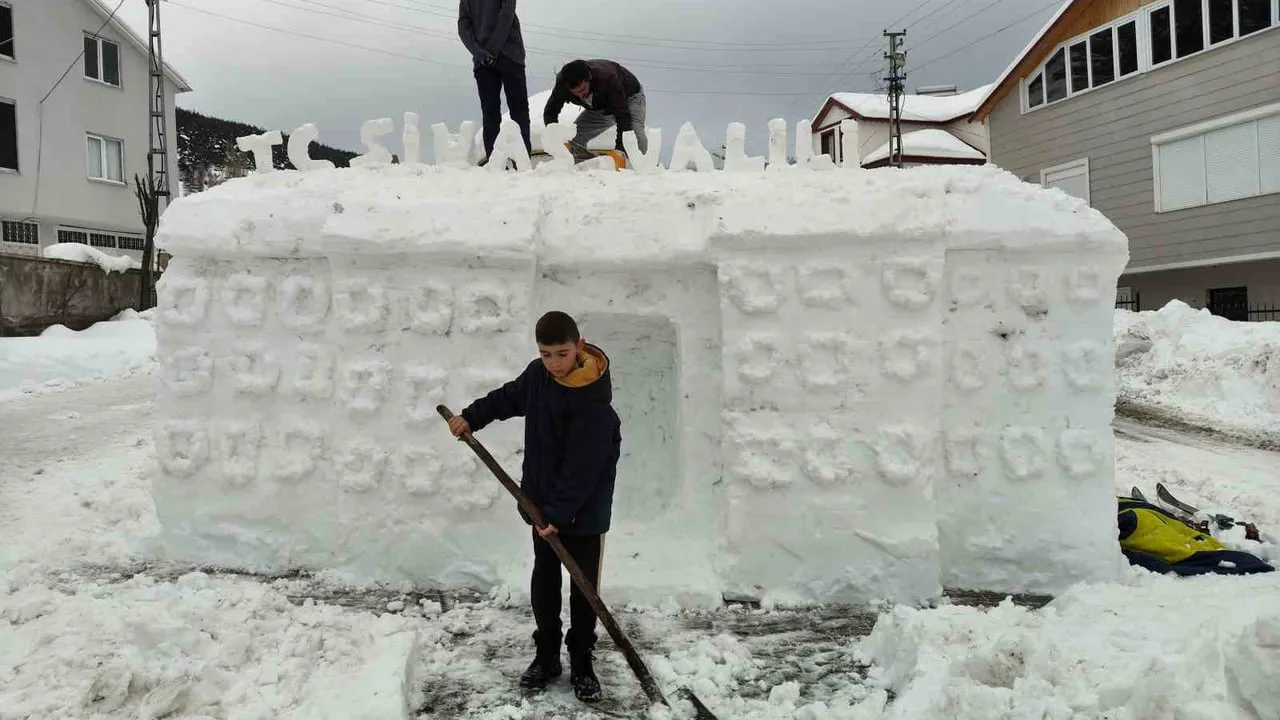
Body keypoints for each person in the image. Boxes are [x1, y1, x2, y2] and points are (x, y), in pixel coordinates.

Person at [448, 311, 622, 703]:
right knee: (544, 581)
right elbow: (510, 396)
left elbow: (583, 471)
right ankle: (547, 656)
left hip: (584, 512)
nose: (554, 363)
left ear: (580, 347)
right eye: (545, 354)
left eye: (561, 353)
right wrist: (472, 417)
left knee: (583, 588)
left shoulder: (593, 403)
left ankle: (581, 660)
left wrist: (558, 516)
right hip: (542, 504)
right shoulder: (539, 376)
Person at [457, 0, 532, 163]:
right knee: (519, 110)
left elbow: (463, 27)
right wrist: (492, 50)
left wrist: (479, 52)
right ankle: (523, 160)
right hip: (510, 54)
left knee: (490, 113)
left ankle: (494, 161)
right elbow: (506, 15)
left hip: (483, 60)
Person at [544, 59, 647, 162]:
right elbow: (550, 112)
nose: (580, 95)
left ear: (589, 77)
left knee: (634, 137)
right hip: (598, 107)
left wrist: (619, 151)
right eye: (575, 93)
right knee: (572, 141)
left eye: (582, 89)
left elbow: (623, 117)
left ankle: (640, 171)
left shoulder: (609, 78)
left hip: (629, 98)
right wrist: (555, 136)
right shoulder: (562, 84)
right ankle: (586, 168)